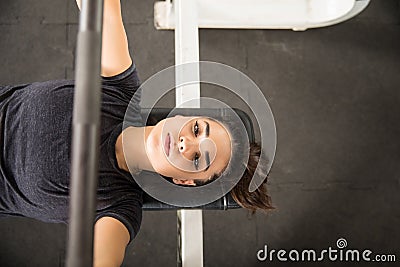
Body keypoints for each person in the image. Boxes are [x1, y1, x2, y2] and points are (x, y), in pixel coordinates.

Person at [0, 0, 274, 266]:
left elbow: (104, 258)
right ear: (183, 116)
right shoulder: (120, 89)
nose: (184, 142)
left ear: (184, 181)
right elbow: (104, 11)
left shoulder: (119, 206)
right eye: (196, 129)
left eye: (197, 159)